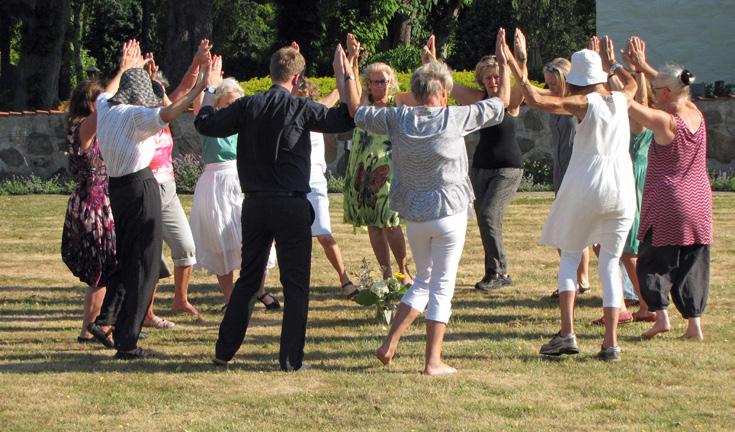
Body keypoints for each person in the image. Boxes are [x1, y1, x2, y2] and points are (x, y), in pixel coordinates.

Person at [336, 29, 510, 375]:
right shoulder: (455, 117)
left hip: (415, 216)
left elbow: (356, 110)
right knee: (440, 286)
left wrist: (351, 69)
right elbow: (501, 102)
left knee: (422, 281)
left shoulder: (398, 119)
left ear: (414, 93)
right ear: (444, 93)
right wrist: (504, 63)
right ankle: (433, 361)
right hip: (449, 213)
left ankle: (390, 343)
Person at [195, 44, 355, 371]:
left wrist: (209, 88)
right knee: (295, 284)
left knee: (249, 281)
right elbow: (346, 118)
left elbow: (206, 124)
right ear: (296, 78)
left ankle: (223, 352)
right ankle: (290, 359)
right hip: (292, 205)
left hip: (255, 204)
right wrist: (344, 76)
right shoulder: (301, 107)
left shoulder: (248, 105)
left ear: (272, 74)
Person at [506, 35, 638, 361]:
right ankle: (611, 343)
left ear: (577, 81)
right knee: (609, 262)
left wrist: (517, 63)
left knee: (569, 255)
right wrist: (614, 64)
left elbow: (535, 99)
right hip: (622, 187)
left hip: (587, 183)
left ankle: (567, 333)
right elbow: (634, 82)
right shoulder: (622, 99)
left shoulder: (584, 103)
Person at [88, 39, 208, 359]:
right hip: (141, 188)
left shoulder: (106, 109)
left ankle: (106, 320)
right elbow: (169, 112)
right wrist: (199, 91)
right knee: (146, 265)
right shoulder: (135, 117)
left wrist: (126, 67)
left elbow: (105, 93)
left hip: (117, 189)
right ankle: (127, 342)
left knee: (128, 257)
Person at [624, 36, 713, 340]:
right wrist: (642, 67)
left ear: (663, 94)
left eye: (657, 90)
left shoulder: (665, 122)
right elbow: (666, 85)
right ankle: (694, 325)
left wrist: (612, 74)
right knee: (693, 262)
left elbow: (630, 104)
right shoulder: (695, 114)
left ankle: (661, 317)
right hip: (699, 200)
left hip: (668, 202)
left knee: (654, 260)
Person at [429, 30, 524, 291]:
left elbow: (522, 80)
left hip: (508, 169)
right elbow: (447, 85)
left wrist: (517, 57)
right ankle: (492, 272)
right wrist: (434, 61)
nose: (493, 81)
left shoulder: (510, 103)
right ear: (481, 80)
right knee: (485, 219)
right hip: (481, 167)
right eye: (488, 77)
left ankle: (500, 272)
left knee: (488, 213)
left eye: (497, 76)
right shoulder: (478, 99)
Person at [190, 56, 280, 311]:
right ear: (218, 104)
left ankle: (258, 290)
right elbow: (198, 103)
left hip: (242, 179)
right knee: (219, 240)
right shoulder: (209, 121)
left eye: (236, 103)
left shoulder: (247, 121)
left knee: (254, 236)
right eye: (228, 103)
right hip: (215, 182)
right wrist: (206, 77)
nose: (234, 108)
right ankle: (231, 299)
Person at [342, 34, 412, 283]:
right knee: (373, 224)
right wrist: (352, 58)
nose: (379, 86)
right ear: (368, 83)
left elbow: (425, 93)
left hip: (389, 170)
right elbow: (351, 92)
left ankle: (404, 272)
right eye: (374, 82)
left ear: (390, 81)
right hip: (363, 169)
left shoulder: (398, 102)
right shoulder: (364, 104)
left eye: (383, 81)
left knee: (390, 221)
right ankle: (386, 273)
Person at [62, 79, 116, 345]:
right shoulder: (82, 127)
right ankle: (88, 329)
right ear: (90, 103)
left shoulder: (92, 128)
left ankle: (101, 326)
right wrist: (124, 70)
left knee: (107, 268)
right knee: (100, 269)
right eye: (101, 100)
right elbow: (104, 110)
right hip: (91, 205)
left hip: (100, 202)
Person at [295, 78, 358, 298]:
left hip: (314, 182)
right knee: (283, 238)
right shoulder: (285, 116)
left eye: (304, 98)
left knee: (324, 234)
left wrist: (348, 68)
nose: (300, 102)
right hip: (290, 182)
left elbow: (339, 92)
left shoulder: (317, 112)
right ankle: (263, 289)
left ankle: (345, 280)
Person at [542, 57, 592, 297]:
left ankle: (578, 279)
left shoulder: (580, 105)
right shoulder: (555, 101)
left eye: (553, 83)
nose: (549, 88)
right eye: (548, 84)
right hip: (561, 171)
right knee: (568, 227)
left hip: (578, 171)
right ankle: (577, 278)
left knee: (571, 228)